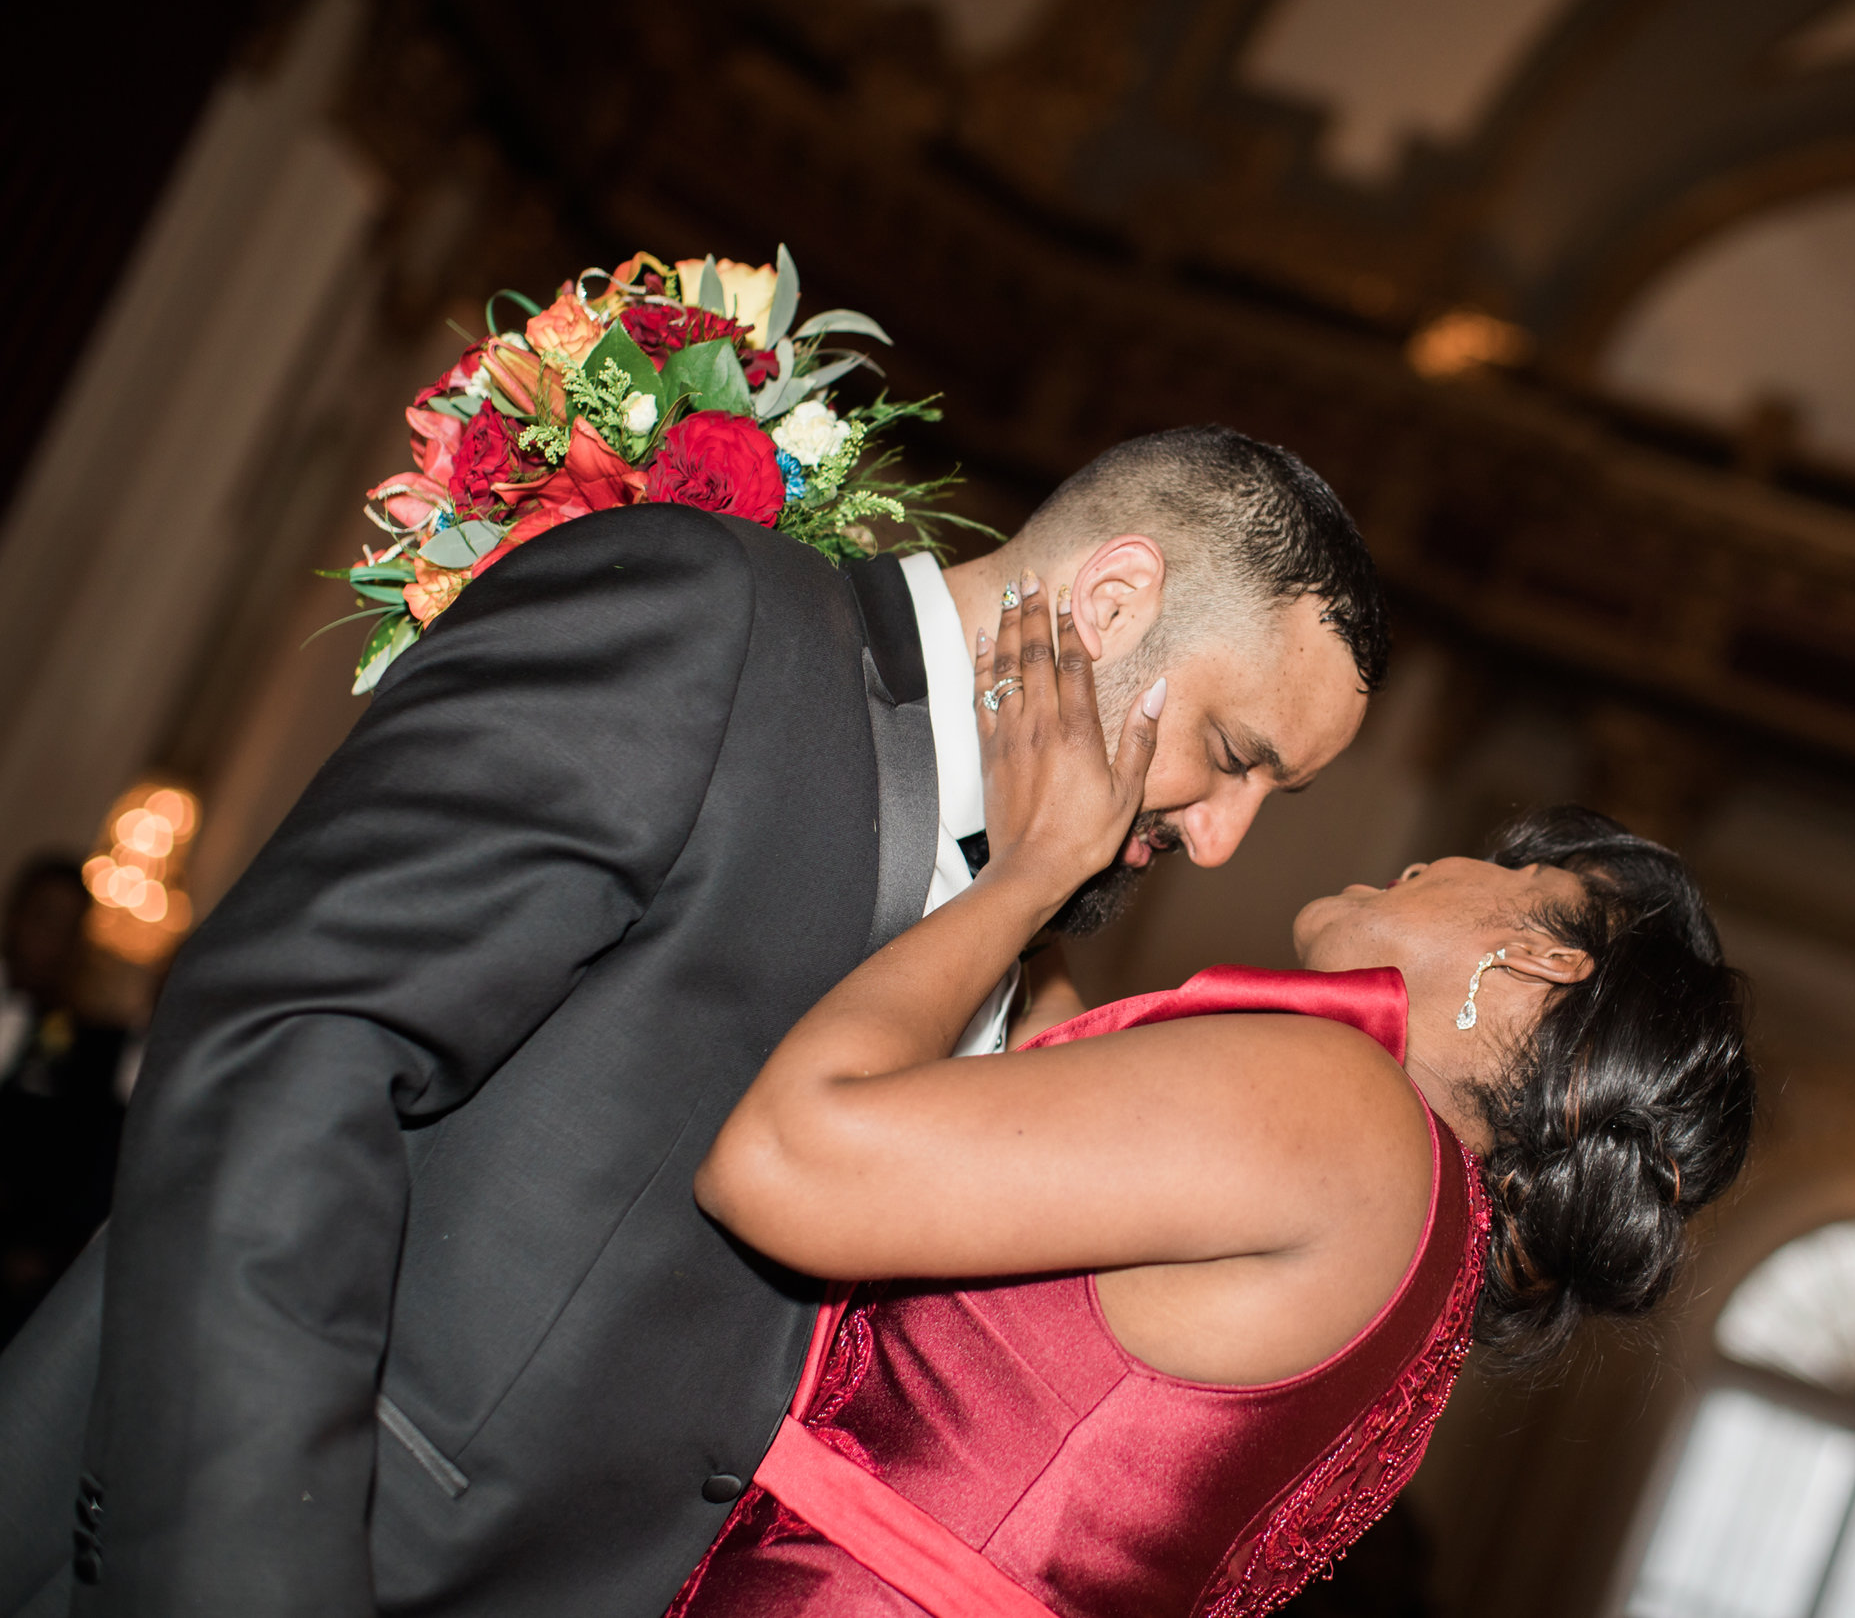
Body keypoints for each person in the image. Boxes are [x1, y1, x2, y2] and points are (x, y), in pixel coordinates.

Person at [0, 426, 1387, 1618]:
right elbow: (291, 1045)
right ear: (1112, 597)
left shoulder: (1015, 951)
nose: (1221, 838)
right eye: (1235, 754)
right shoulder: (713, 621)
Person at [663, 578, 1755, 1616]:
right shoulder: (1422, 1222)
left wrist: (1035, 869)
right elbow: (1048, 1074)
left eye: (1511, 872)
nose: (1440, 864)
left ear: (1538, 959)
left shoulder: (1347, 1107)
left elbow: (784, 1163)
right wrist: (1056, 836)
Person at [0, 859, 130, 1348]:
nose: (54, 940)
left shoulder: (92, 1050)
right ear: (15, 916)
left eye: (70, 929)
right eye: (44, 918)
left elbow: (86, 1162)